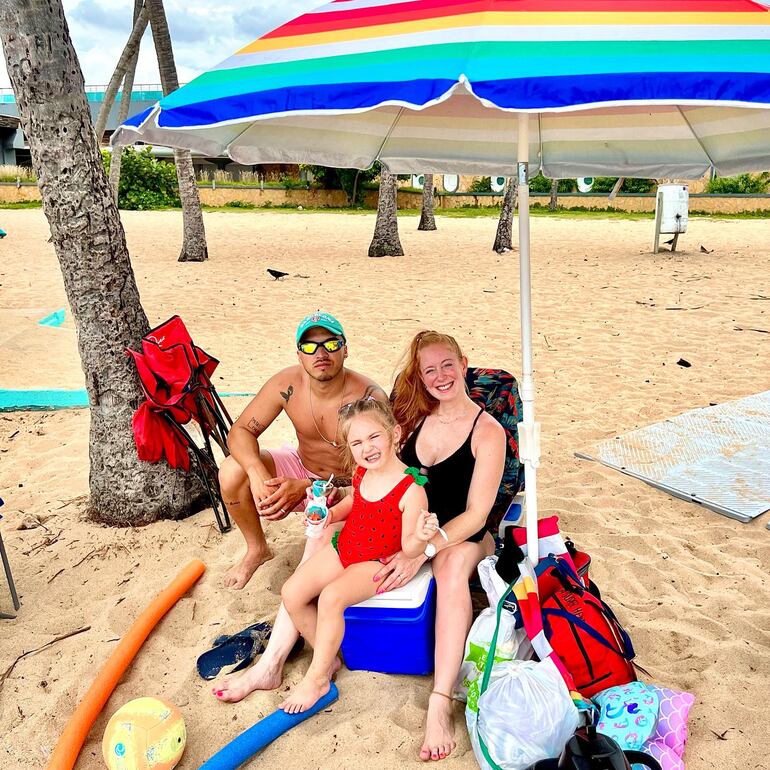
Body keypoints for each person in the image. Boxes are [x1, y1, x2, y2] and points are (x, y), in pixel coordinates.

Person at [392, 330, 506, 762]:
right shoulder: (412, 421)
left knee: (452, 567)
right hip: (416, 530)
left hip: (467, 536)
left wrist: (422, 551)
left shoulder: (487, 431)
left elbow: (477, 514)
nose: (440, 376)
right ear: (420, 378)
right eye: (429, 370)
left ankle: (439, 701)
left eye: (446, 365)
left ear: (463, 363)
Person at [279, 398, 433, 713]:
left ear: (395, 434)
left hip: (377, 561)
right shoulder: (363, 472)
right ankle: (329, 658)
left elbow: (410, 548)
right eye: (357, 442)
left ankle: (318, 677)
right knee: (291, 593)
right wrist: (329, 514)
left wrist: (420, 536)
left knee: (331, 598)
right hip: (347, 546)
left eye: (375, 437)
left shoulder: (411, 489)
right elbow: (355, 502)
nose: (367, 448)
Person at [219, 311, 387, 590]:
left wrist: (310, 486)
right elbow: (239, 432)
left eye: (331, 344)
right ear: (300, 355)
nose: (320, 353)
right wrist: (256, 471)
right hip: (301, 467)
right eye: (310, 347)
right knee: (232, 469)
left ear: (345, 349)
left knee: (312, 572)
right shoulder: (287, 384)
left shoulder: (368, 397)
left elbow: (382, 475)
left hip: (347, 488)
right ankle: (256, 548)